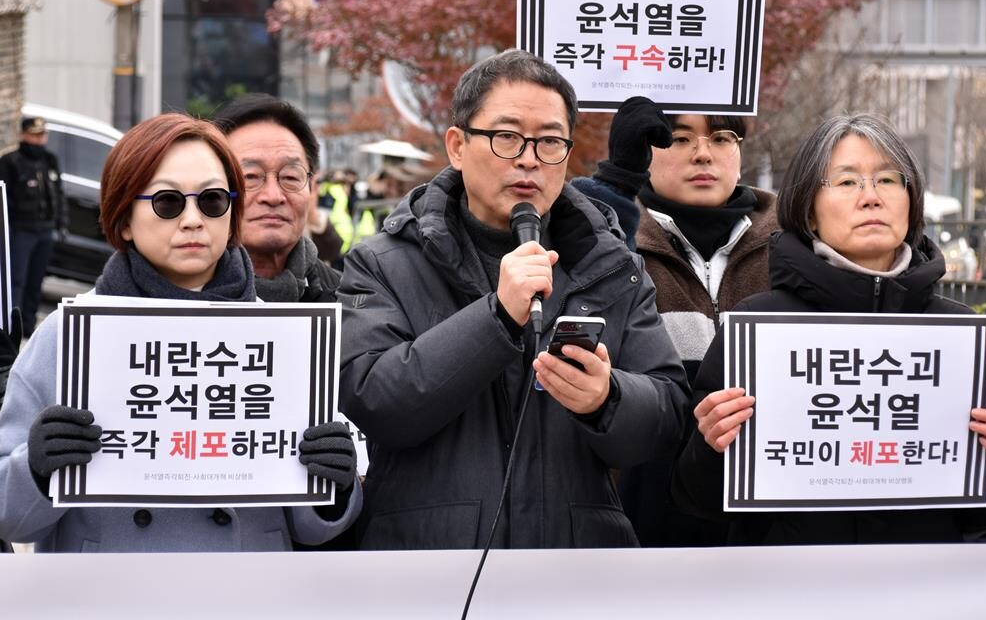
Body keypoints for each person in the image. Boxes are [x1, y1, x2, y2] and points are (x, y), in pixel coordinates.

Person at [337, 49, 689, 550]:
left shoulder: (610, 266)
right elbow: (375, 400)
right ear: (457, 146)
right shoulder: (383, 261)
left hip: (577, 562)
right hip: (425, 562)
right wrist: (496, 317)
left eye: (549, 142)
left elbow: (668, 416)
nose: (528, 158)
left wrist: (606, 400)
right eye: (506, 137)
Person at [0, 113, 361, 551]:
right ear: (125, 219)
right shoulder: (68, 337)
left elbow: (313, 526)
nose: (192, 220)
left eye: (212, 201)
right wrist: (36, 468)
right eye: (168, 202)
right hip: (104, 599)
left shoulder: (284, 338)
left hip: (247, 596)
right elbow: (10, 519)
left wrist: (335, 484)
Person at [672, 113, 986, 545]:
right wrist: (710, 446)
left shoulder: (960, 338)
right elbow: (697, 501)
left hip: (920, 594)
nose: (871, 197)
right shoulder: (758, 332)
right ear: (808, 210)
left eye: (889, 180)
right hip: (787, 594)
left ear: (912, 203)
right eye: (848, 181)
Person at [573, 97, 777, 546]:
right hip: (634, 531)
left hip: (766, 534)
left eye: (722, 138)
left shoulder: (793, 247)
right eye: (680, 138)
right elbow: (576, 291)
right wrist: (615, 183)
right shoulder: (615, 244)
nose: (703, 153)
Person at [212, 95, 341, 304]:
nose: (273, 196)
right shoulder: (174, 299)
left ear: (311, 188)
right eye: (250, 177)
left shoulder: (349, 302)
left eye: (290, 177)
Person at [0, 117, 67, 337]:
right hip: (22, 230)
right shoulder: (10, 162)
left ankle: (28, 327)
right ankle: (12, 328)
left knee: (35, 281)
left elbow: (58, 193)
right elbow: (5, 200)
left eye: (43, 135)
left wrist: (61, 223)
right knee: (16, 281)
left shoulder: (50, 160)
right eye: (35, 135)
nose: (40, 140)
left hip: (44, 230)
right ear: (24, 135)